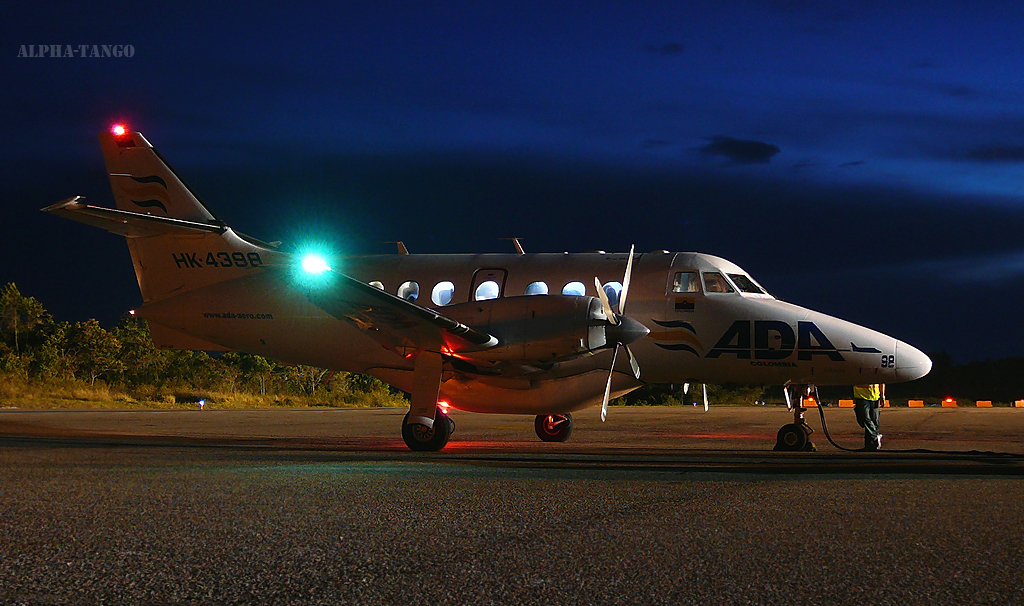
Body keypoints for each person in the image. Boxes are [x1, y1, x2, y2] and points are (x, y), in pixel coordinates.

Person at [853, 384, 884, 450]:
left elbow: (881, 381)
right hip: (861, 396)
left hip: (874, 396)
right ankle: (875, 436)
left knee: (874, 421)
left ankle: (870, 445)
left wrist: (882, 395)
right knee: (865, 418)